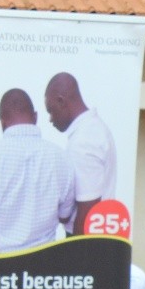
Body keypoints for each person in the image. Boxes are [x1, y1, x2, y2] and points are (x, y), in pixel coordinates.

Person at [0, 89, 75, 253]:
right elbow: (65, 216)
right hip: (44, 270)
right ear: (35, 117)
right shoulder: (63, 159)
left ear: (2, 122)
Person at [44, 71, 116, 231]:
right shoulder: (95, 127)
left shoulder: (83, 141)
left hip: (86, 239)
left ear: (61, 101)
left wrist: (76, 253)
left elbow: (88, 212)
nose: (50, 119)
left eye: (51, 110)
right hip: (100, 237)